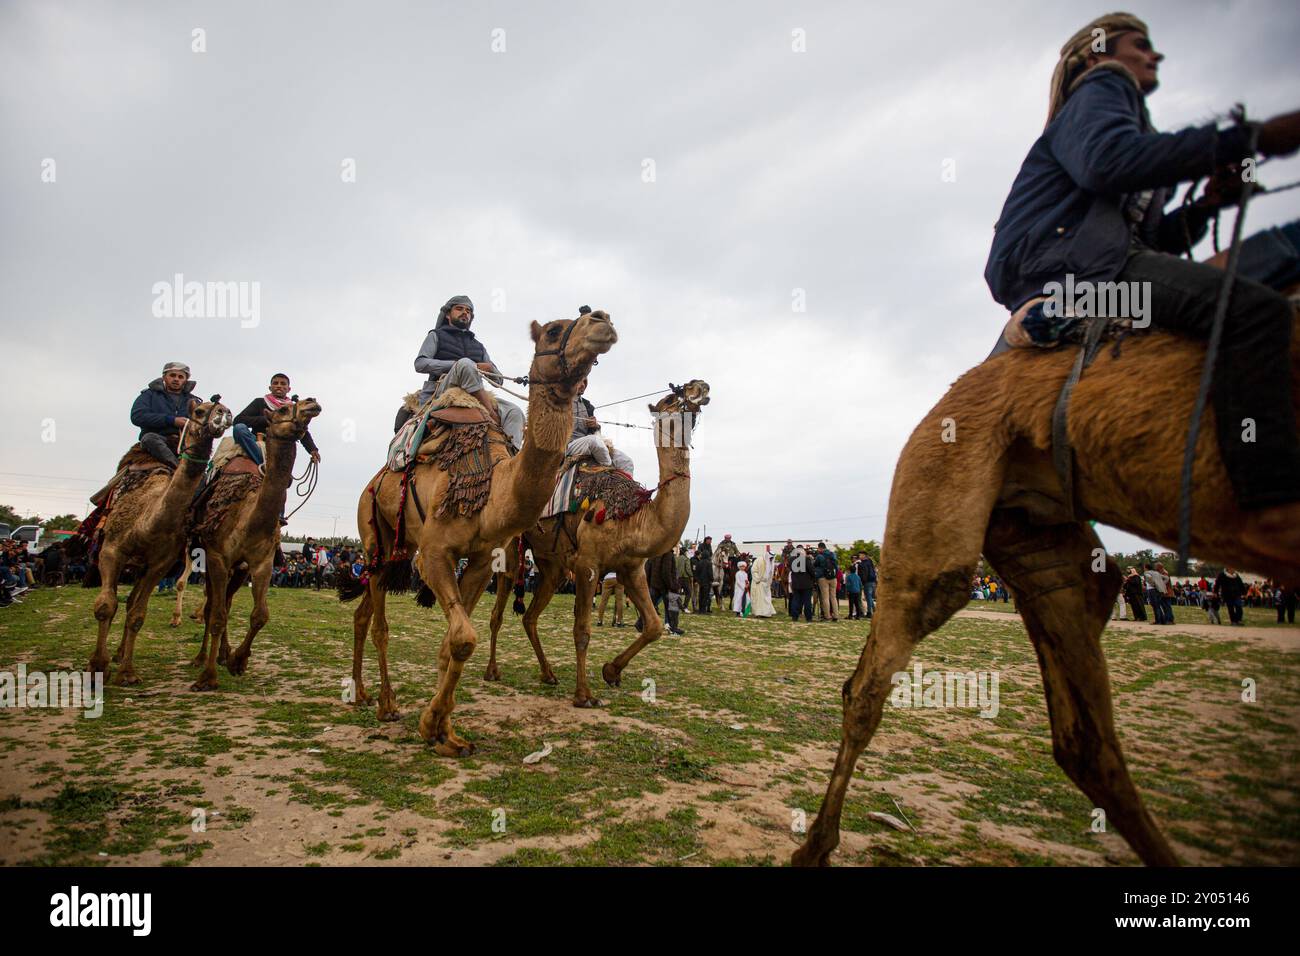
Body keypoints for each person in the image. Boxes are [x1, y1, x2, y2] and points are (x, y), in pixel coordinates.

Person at [985, 13, 1300, 564]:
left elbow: (1153, 238)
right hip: (1077, 273)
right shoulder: (1103, 89)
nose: (1155, 57)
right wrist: (1248, 140)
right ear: (1098, 53)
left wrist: (1206, 204)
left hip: (1105, 266)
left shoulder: (1129, 125)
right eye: (1142, 45)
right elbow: (1108, 166)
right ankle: (1270, 504)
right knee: (1253, 312)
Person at [399, 295, 525, 450]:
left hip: (473, 394)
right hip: (443, 391)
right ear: (447, 314)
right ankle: (491, 414)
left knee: (514, 412)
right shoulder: (436, 335)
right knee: (465, 363)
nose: (465, 313)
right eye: (459, 309)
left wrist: (491, 369)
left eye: (468, 311)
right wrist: (455, 365)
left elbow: (499, 382)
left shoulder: (478, 346)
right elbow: (420, 364)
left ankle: (510, 455)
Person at [233, 373, 321, 470]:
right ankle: (264, 464)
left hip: (281, 446)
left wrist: (312, 449)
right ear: (270, 388)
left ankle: (271, 468)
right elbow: (238, 420)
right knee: (239, 428)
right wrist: (269, 419)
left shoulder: (292, 409)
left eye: (283, 384)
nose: (279, 386)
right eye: (276, 383)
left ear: (288, 389)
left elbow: (302, 429)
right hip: (258, 442)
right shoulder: (259, 402)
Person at [129, 361, 197, 468]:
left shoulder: (194, 401)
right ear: (164, 377)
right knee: (149, 438)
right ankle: (177, 467)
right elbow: (137, 416)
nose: (176, 379)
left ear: (185, 380)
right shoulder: (149, 395)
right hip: (158, 438)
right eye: (172, 375)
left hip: (184, 443)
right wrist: (172, 420)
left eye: (180, 377)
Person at [567, 377, 635, 475]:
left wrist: (595, 426)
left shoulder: (587, 405)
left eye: (585, 382)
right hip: (568, 446)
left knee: (626, 461)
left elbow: (595, 433)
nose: (583, 385)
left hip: (587, 443)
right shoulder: (560, 402)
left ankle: (627, 488)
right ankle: (608, 473)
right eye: (579, 381)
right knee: (594, 441)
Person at [813, 542, 838, 622]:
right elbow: (836, 565)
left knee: (825, 598)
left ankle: (827, 616)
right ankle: (836, 615)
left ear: (820, 548)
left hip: (823, 578)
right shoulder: (832, 554)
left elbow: (815, 565)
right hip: (833, 578)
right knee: (833, 597)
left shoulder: (820, 556)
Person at [788, 547, 815, 622]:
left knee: (795, 600)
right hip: (806, 584)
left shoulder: (791, 561)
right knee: (807, 602)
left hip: (796, 584)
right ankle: (808, 617)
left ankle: (794, 617)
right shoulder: (806, 560)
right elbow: (812, 571)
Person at [750, 546, 775, 618]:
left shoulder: (771, 562)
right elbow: (753, 570)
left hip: (766, 584)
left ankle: (766, 613)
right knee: (759, 599)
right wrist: (758, 579)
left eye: (772, 558)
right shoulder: (759, 560)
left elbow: (770, 573)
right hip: (759, 583)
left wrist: (769, 582)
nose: (771, 559)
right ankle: (759, 613)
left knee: (766, 599)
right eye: (770, 558)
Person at [694, 537, 714, 613]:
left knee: (700, 596)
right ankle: (704, 610)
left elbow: (696, 573)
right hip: (707, 582)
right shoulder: (709, 563)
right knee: (705, 596)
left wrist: (698, 580)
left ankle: (700, 610)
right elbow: (710, 573)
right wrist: (711, 579)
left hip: (700, 582)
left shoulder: (699, 563)